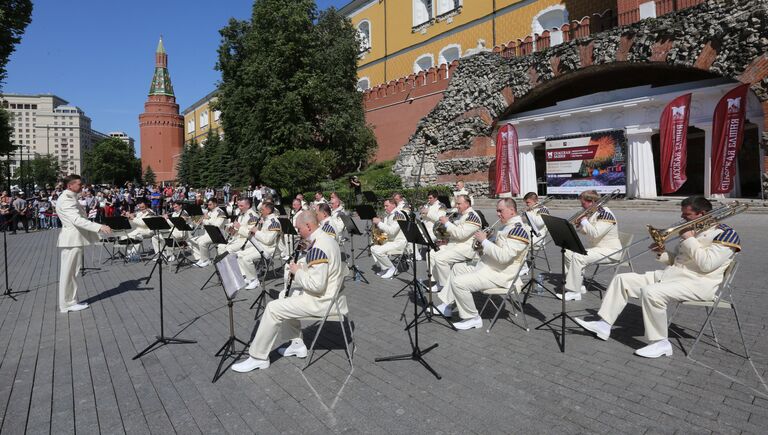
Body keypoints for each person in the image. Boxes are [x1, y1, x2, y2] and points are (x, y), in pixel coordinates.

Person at [575, 196, 740, 358]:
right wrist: (662, 252)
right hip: (673, 276)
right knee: (622, 279)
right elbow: (677, 261)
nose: (682, 217)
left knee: (652, 293)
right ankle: (604, 325)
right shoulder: (694, 231)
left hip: (698, 284)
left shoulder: (726, 234)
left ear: (702, 213)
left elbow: (707, 264)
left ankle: (661, 343)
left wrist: (689, 239)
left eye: (687, 214)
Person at [231, 210, 346, 372]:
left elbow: (317, 285)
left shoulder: (318, 247)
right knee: (283, 296)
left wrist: (297, 271)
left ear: (308, 225)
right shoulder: (326, 239)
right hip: (331, 295)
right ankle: (297, 344)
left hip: (322, 301)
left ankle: (258, 357)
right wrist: (301, 267)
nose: (297, 232)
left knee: (273, 308)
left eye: (299, 229)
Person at [433, 199, 531, 329]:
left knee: (458, 283)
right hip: (489, 267)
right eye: (497, 210)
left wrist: (485, 241)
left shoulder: (518, 231)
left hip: (500, 275)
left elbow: (504, 257)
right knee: (458, 268)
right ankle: (448, 305)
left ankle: (472, 317)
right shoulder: (508, 226)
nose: (497, 214)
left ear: (512, 211)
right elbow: (497, 249)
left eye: (500, 211)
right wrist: (482, 246)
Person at [57, 175, 112, 313]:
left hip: (73, 239)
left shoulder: (70, 197)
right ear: (70, 186)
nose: (82, 187)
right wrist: (99, 227)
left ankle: (70, 301)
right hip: (71, 240)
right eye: (79, 184)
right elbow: (76, 220)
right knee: (69, 273)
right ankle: (67, 303)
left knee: (72, 272)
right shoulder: (66, 199)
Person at [559, 190, 622, 301]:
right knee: (568, 252)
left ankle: (574, 291)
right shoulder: (593, 213)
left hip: (611, 251)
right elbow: (586, 231)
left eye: (583, 204)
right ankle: (578, 284)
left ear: (592, 201)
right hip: (598, 249)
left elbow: (595, 233)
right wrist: (579, 224)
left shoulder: (605, 214)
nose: (581, 206)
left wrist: (583, 220)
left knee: (579, 256)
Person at [430, 195, 482, 292]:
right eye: (456, 203)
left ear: (467, 204)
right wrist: (446, 240)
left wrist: (447, 223)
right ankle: (439, 281)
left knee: (440, 259)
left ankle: (446, 288)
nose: (456, 206)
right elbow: (455, 233)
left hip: (467, 248)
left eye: (459, 204)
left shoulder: (472, 217)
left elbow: (461, 234)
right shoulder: (461, 214)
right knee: (432, 254)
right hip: (455, 244)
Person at [237, 202, 282, 290]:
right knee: (239, 255)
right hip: (260, 246)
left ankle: (254, 280)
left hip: (269, 249)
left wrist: (256, 231)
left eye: (262, 210)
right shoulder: (266, 219)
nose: (260, 211)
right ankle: (247, 276)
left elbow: (268, 241)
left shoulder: (274, 222)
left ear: (268, 210)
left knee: (247, 258)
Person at [370, 198, 407, 279]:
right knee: (373, 247)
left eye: (387, 206)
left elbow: (392, 231)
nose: (385, 208)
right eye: (384, 206)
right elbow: (385, 230)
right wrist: (378, 230)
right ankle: (385, 268)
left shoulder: (399, 215)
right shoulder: (388, 215)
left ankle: (392, 268)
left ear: (394, 205)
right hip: (390, 241)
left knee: (378, 250)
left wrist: (379, 223)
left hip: (399, 242)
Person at [191, 198, 227, 267]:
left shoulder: (220, 212)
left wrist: (207, 219)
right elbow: (205, 224)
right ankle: (202, 258)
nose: (208, 206)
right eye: (208, 205)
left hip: (218, 234)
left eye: (210, 205)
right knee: (193, 240)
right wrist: (198, 222)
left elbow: (217, 225)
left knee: (202, 242)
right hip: (209, 234)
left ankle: (206, 260)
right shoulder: (210, 212)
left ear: (215, 204)